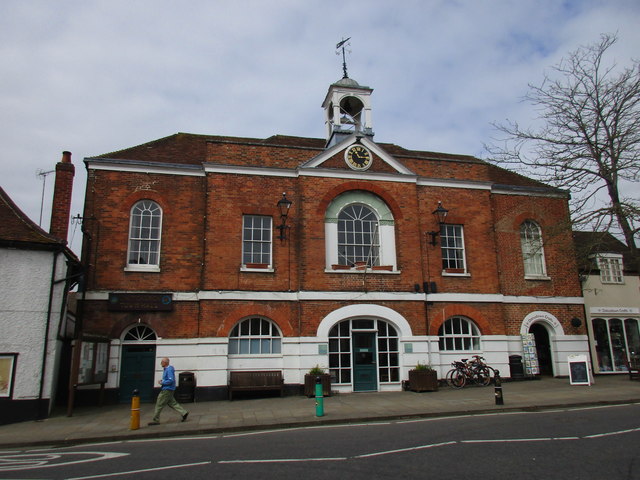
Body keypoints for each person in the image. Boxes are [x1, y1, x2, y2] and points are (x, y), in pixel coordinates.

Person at [148, 357, 189, 425]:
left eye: (162, 362)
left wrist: (162, 382)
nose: (161, 363)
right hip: (169, 389)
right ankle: (184, 413)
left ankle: (156, 420)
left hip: (167, 389)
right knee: (172, 403)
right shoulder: (167, 369)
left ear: (165, 362)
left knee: (159, 404)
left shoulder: (168, 369)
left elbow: (170, 380)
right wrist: (163, 381)